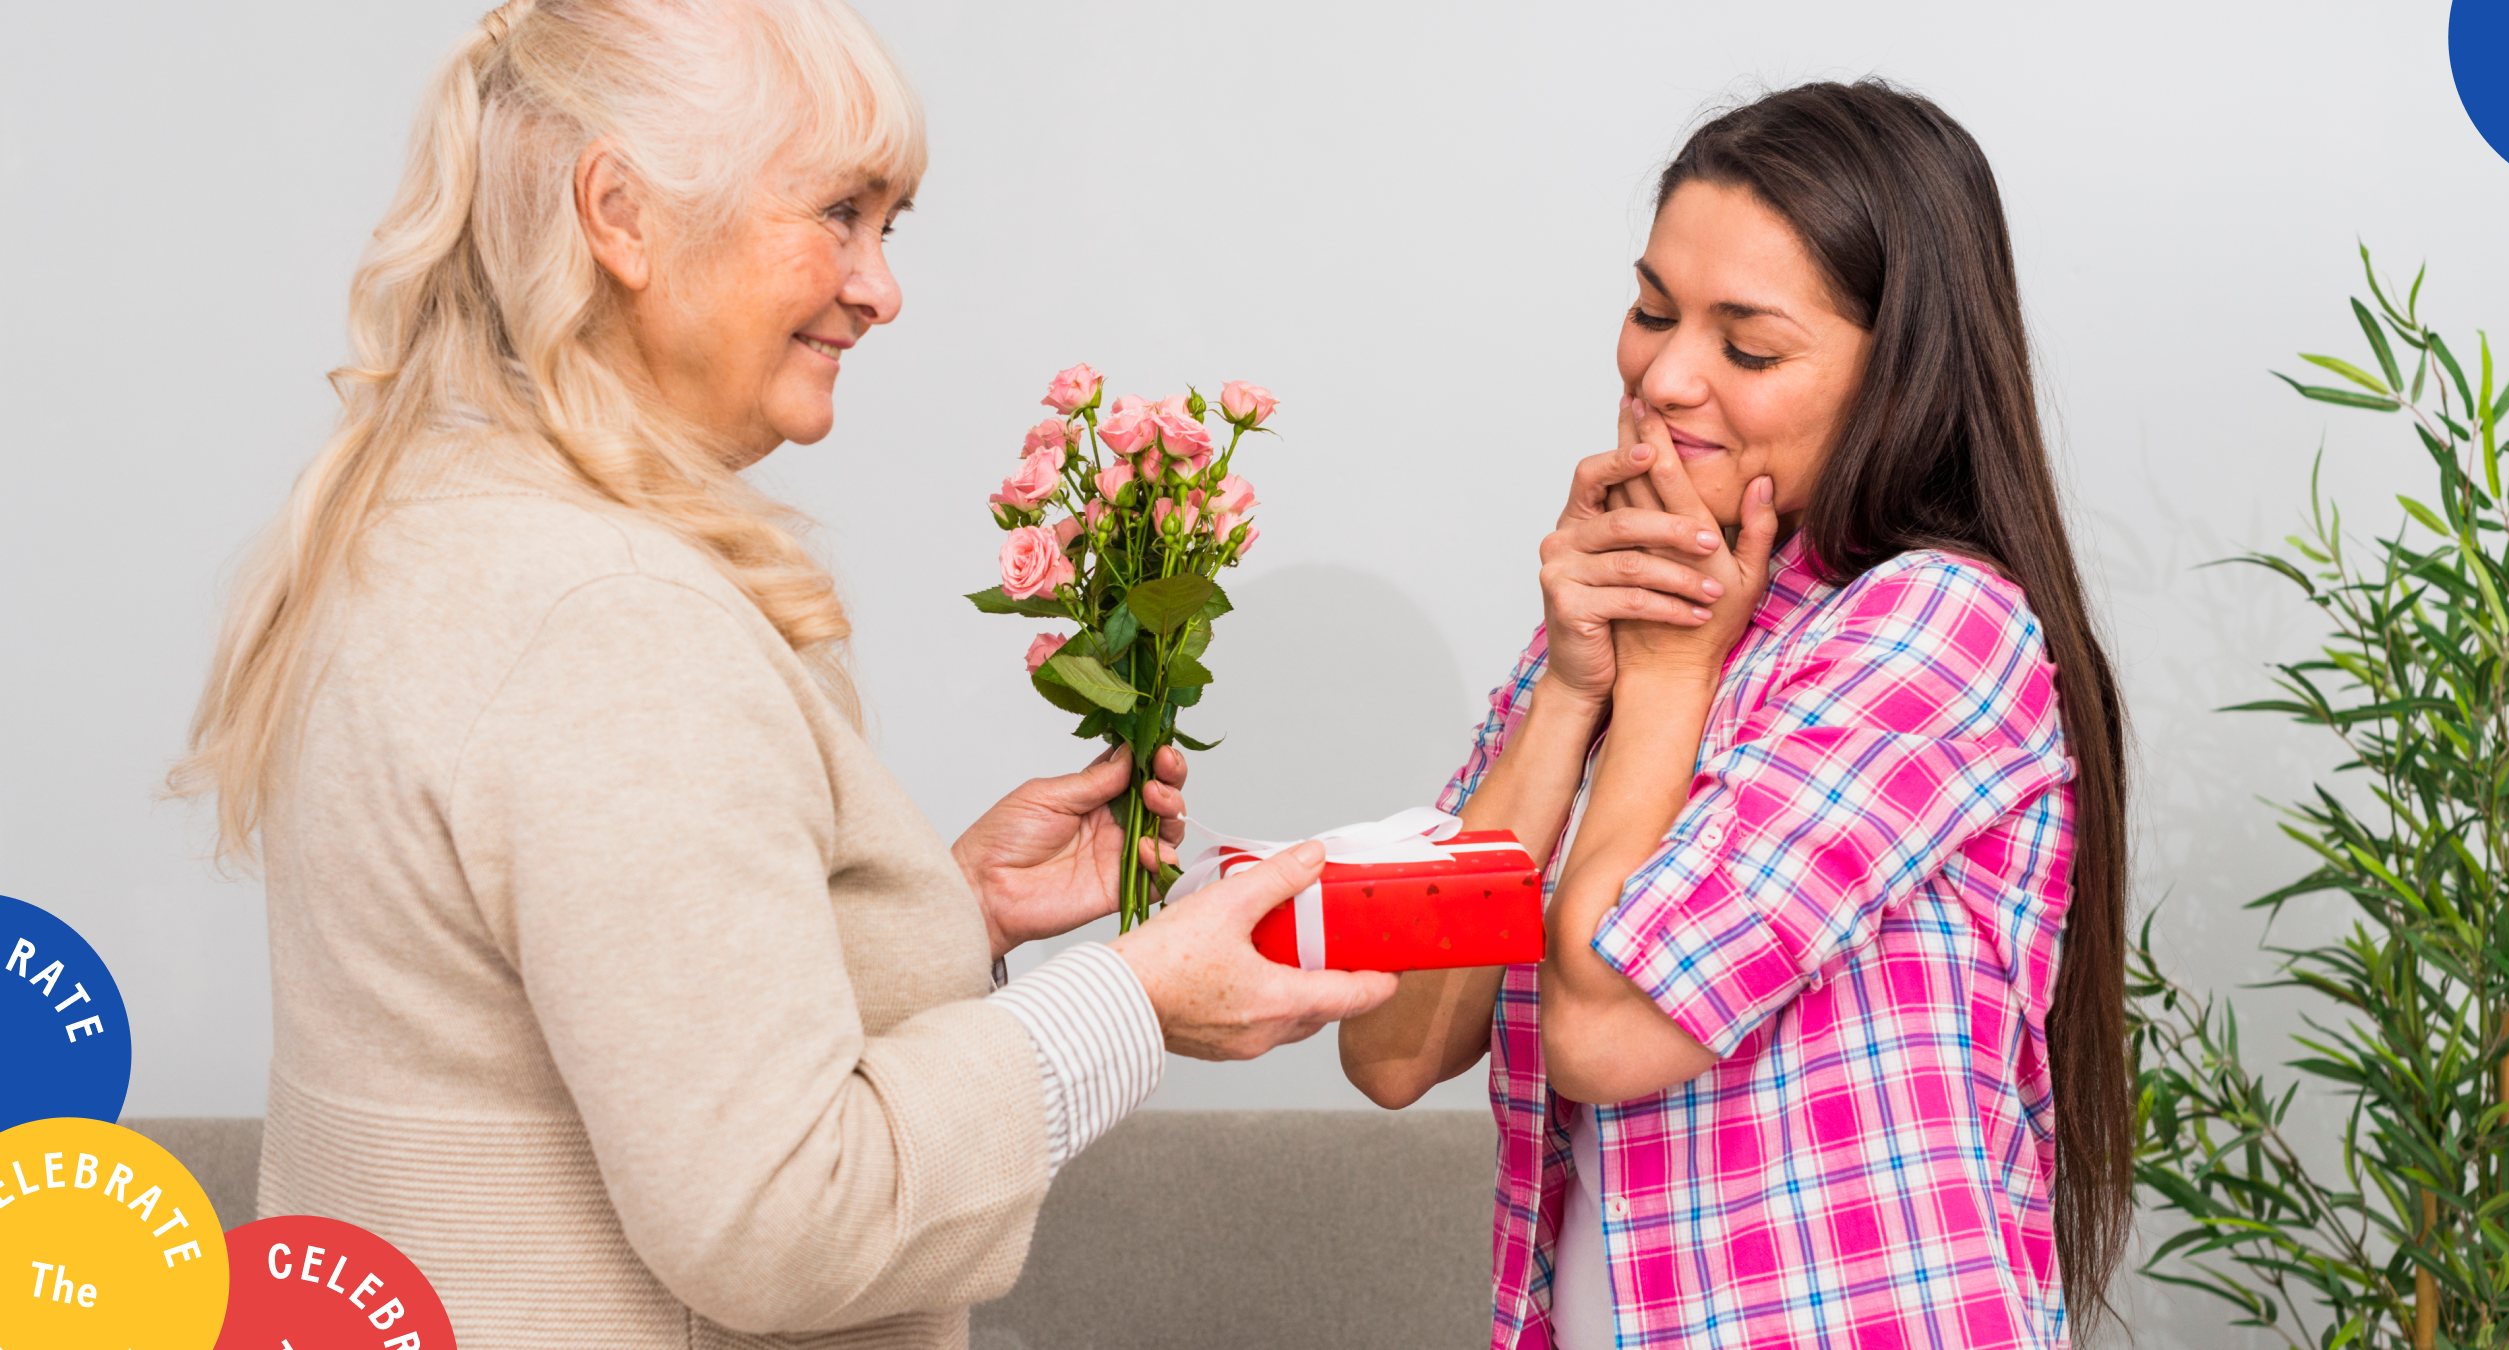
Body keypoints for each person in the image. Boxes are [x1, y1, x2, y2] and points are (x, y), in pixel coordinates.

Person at [168, 2, 1395, 1344]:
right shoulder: (607, 618)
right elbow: (778, 1214)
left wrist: (941, 913)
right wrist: (1135, 1002)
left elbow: (596, 1015)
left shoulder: (442, 530)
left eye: (891, 225)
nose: (881, 286)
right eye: (839, 213)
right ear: (621, 214)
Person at [1338, 81, 2133, 1350]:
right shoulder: (1643, 617)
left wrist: (1659, 687)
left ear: (1899, 376)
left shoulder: (1934, 628)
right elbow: (1389, 1049)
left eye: (1746, 346)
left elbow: (1602, 1031)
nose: (1664, 375)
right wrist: (1569, 694)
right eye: (1652, 310)